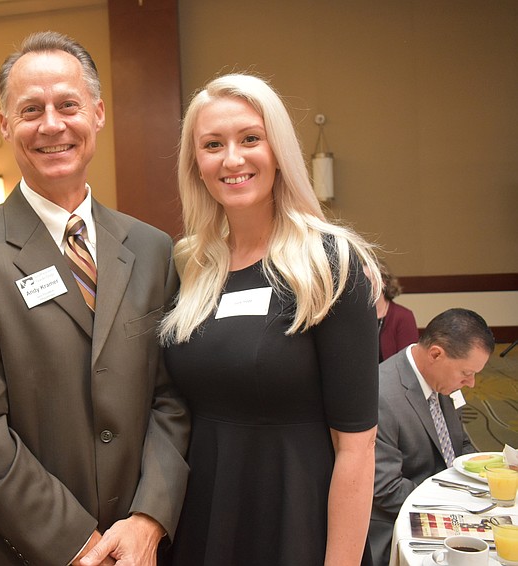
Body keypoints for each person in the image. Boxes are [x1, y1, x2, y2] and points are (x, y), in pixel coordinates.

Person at [0, 31, 190, 566]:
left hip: (141, 548)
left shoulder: (152, 248)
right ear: (5, 126)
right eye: (30, 109)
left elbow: (173, 396)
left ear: (97, 114)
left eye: (68, 105)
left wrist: (149, 517)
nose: (51, 124)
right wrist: (79, 546)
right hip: (27, 550)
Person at [159, 73, 381, 565]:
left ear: (278, 149)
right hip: (204, 515)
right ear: (196, 164)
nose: (232, 159)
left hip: (297, 519)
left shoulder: (330, 264)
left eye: (250, 139)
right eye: (212, 144)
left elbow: (358, 450)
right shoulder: (188, 264)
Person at [368, 308, 493, 566]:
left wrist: (483, 479)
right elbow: (385, 490)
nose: (471, 384)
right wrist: (455, 506)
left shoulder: (442, 380)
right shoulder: (381, 395)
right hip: (400, 522)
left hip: (448, 504)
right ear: (436, 354)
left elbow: (460, 444)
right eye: (466, 373)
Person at [376, 261, 418, 362]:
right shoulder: (356, 317)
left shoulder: (403, 316)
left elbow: (407, 362)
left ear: (383, 282)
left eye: (368, 280)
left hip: (391, 376)